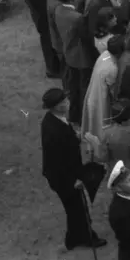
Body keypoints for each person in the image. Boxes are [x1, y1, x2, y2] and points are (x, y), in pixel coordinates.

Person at [40, 88, 108, 251]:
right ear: (56, 106)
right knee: (77, 208)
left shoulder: (54, 119)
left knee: (74, 207)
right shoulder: (54, 130)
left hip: (66, 172)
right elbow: (59, 160)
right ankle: (85, 237)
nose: (67, 103)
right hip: (63, 177)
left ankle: (74, 238)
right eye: (63, 101)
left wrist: (74, 136)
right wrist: (73, 180)